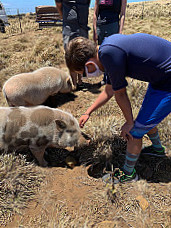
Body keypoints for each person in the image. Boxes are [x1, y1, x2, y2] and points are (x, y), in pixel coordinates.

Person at [65, 33, 171, 184]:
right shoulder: (106, 51)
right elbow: (109, 91)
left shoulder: (109, 54)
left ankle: (128, 175)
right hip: (160, 79)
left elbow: (120, 94)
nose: (87, 77)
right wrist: (88, 112)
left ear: (88, 65)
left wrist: (129, 123)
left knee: (135, 131)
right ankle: (158, 150)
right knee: (144, 119)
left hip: (167, 82)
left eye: (83, 74)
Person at [55, 0, 90, 90]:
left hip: (82, 25)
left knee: (82, 53)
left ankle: (80, 81)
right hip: (69, 27)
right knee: (70, 54)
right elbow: (58, 4)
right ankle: (74, 83)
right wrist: (64, 17)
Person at [93, 0, 127, 86]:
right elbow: (95, 13)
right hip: (100, 27)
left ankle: (112, 78)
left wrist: (120, 32)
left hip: (113, 25)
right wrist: (95, 31)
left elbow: (122, 14)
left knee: (112, 53)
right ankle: (105, 78)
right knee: (102, 53)